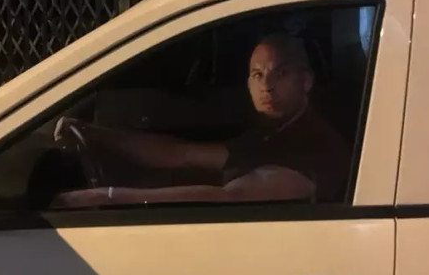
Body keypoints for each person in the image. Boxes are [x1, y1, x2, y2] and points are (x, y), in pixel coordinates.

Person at [50, 33, 350, 209]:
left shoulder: (314, 144)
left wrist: (106, 197)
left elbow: (227, 197)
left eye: (280, 74)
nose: (267, 87)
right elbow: (180, 154)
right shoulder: (272, 133)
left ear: (307, 81)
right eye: (257, 75)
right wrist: (96, 134)